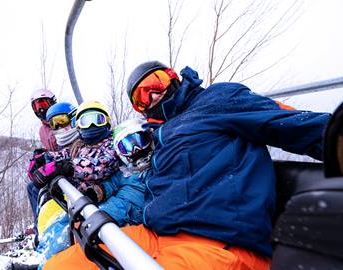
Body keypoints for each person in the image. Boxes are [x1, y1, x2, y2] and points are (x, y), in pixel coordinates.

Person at [42, 61, 331, 269]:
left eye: (155, 84)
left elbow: (291, 123)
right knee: (62, 266)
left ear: (173, 77)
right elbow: (123, 174)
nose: (151, 96)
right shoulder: (154, 133)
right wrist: (95, 191)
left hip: (216, 242)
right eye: (140, 97)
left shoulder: (217, 100)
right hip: (155, 234)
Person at [24, 101, 147, 268]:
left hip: (116, 208)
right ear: (78, 125)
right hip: (89, 199)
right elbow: (114, 180)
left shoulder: (110, 144)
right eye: (85, 121)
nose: (92, 125)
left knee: (74, 230)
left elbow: (101, 164)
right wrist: (44, 158)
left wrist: (68, 168)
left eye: (97, 119)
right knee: (58, 224)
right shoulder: (82, 145)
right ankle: (41, 257)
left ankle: (47, 262)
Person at [26, 89, 59, 242]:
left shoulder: (60, 119)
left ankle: (47, 229)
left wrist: (49, 157)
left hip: (64, 166)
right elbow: (52, 148)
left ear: (52, 102)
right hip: (54, 164)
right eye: (36, 106)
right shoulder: (42, 130)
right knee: (32, 187)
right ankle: (38, 225)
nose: (40, 109)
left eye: (43, 103)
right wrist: (41, 155)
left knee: (46, 192)